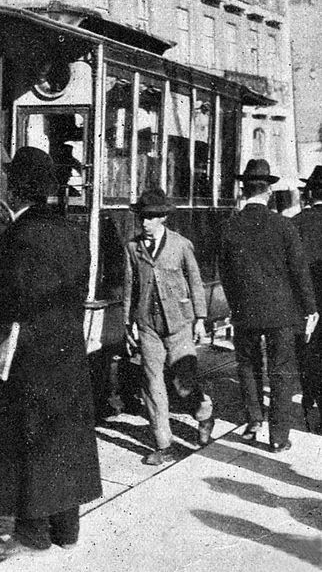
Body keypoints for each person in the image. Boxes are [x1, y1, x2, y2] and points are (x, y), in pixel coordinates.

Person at [0, 146, 101, 560]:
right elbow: (79, 291)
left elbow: (6, 300)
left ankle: (31, 533)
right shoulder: (74, 232)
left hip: (27, 355)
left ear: (18, 188)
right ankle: (66, 528)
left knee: (25, 439)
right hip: (68, 351)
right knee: (64, 436)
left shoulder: (17, 237)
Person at [219, 159, 318, 453]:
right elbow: (299, 271)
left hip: (244, 312)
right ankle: (278, 436)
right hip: (281, 314)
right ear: (269, 191)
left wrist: (235, 305)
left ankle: (253, 422)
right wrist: (310, 308)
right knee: (281, 372)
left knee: (248, 367)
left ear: (243, 189)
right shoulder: (283, 225)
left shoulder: (230, 227)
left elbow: (224, 273)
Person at [123, 188, 215, 466]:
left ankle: (204, 413)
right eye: (142, 218)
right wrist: (128, 323)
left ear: (163, 217)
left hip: (178, 324)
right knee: (152, 384)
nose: (145, 223)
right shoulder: (132, 247)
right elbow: (130, 287)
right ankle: (164, 444)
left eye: (151, 218)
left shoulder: (181, 245)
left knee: (183, 382)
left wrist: (200, 318)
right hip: (147, 325)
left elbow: (196, 281)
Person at [292, 165, 322, 431]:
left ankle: (309, 397)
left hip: (305, 303)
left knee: (308, 352)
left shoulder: (295, 223)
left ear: (310, 193)